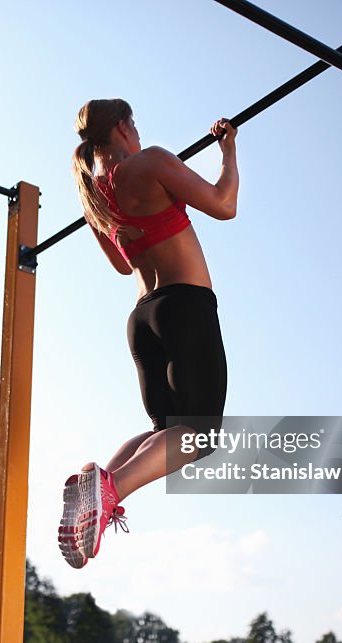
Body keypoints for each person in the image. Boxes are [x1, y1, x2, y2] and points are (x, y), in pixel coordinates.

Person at [58, 98, 239, 569]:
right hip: (185, 306)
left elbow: (122, 264)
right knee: (196, 437)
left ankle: (102, 486)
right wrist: (229, 153)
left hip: (142, 318)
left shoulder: (92, 195)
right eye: (133, 126)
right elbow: (224, 205)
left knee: (167, 433)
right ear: (123, 127)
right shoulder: (151, 161)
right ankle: (111, 488)